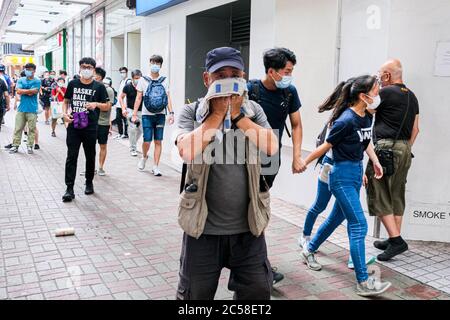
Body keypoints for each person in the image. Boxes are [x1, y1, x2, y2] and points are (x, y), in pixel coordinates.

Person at [175, 47, 279, 300]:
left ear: (243, 77)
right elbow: (186, 151)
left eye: (235, 73)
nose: (229, 79)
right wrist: (217, 115)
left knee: (257, 292)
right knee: (195, 297)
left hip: (249, 228)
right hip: (202, 228)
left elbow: (271, 147)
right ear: (206, 79)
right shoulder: (192, 112)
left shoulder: (254, 110)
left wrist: (238, 117)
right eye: (220, 74)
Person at [300, 75, 392, 297]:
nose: (379, 96)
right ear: (363, 96)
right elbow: (326, 146)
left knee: (335, 218)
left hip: (355, 173)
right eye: (377, 92)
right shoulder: (346, 120)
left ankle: (309, 249)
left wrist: (375, 162)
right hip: (340, 176)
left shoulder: (365, 116)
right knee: (359, 224)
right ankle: (363, 281)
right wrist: (303, 162)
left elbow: (365, 141)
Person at [247, 47, 305, 285]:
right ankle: (257, 266)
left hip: (272, 159)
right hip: (245, 157)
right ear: (272, 71)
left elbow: (297, 124)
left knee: (258, 207)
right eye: (287, 71)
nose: (290, 76)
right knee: (248, 209)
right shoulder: (250, 90)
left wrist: (297, 156)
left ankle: (252, 264)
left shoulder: (289, 92)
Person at [365, 59, 420, 261]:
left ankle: (396, 241)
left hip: (385, 147)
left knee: (378, 192)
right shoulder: (412, 96)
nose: (378, 79)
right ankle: (392, 237)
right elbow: (416, 129)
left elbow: (366, 111)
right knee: (396, 194)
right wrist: (404, 149)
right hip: (405, 149)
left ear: (387, 76)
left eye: (379, 75)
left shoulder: (385, 93)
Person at [61, 57, 109, 202]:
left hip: (90, 126)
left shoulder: (99, 87)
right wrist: (64, 114)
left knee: (90, 155)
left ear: (94, 69)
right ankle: (69, 188)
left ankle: (89, 182)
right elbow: (66, 101)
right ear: (79, 68)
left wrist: (96, 104)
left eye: (89, 67)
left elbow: (107, 106)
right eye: (83, 66)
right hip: (74, 125)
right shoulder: (73, 84)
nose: (86, 69)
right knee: (71, 156)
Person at [132, 55, 174, 176]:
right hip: (147, 115)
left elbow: (168, 97)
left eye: (157, 63)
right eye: (153, 62)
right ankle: (144, 157)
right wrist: (134, 114)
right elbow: (138, 97)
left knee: (158, 141)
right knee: (147, 140)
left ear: (161, 65)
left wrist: (171, 113)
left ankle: (155, 166)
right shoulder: (143, 80)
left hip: (160, 114)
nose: (155, 65)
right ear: (150, 64)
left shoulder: (164, 80)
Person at [9, 63, 41, 154]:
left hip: (32, 109)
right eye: (26, 69)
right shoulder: (21, 79)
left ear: (34, 71)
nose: (27, 71)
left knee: (31, 129)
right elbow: (18, 91)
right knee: (18, 128)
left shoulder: (37, 81)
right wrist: (29, 90)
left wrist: (23, 91)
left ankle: (30, 146)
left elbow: (33, 93)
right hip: (21, 108)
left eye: (29, 69)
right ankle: (15, 145)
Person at [94, 67, 114, 176]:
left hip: (103, 122)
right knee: (90, 146)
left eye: (94, 74)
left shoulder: (108, 90)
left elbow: (107, 107)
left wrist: (95, 104)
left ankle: (101, 167)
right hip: (90, 122)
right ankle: (90, 167)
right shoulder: (90, 88)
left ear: (99, 76)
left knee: (102, 145)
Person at [120, 69, 143, 157]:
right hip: (130, 110)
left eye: (139, 78)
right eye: (136, 78)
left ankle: (133, 143)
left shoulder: (143, 87)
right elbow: (121, 98)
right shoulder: (127, 87)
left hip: (141, 111)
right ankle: (133, 148)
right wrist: (123, 109)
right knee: (132, 129)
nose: (138, 80)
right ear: (132, 78)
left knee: (141, 130)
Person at [114, 66, 130, 139]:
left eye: (123, 72)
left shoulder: (128, 81)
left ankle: (126, 134)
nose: (122, 74)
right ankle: (120, 133)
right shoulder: (121, 81)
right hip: (119, 104)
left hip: (125, 104)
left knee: (125, 120)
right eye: (121, 72)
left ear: (126, 73)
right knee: (118, 118)